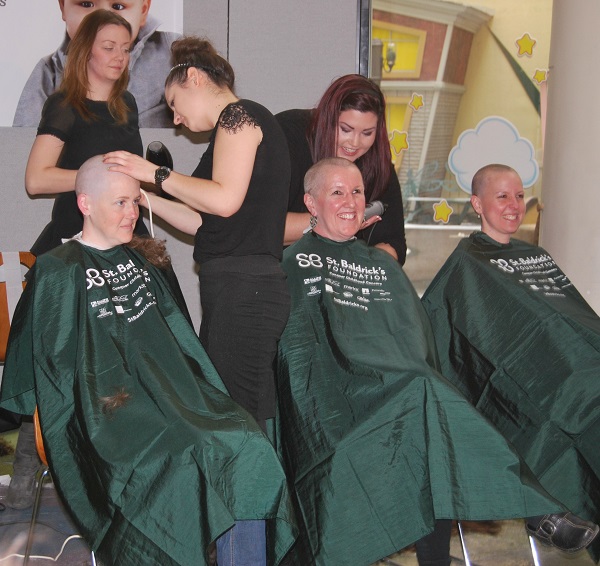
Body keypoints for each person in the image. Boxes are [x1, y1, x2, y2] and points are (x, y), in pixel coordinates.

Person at [275, 157, 598, 566]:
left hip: (398, 391)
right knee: (427, 399)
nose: (350, 201)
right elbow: (299, 355)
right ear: (311, 202)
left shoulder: (380, 264)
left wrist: (401, 374)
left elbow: (415, 337)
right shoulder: (295, 263)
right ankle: (539, 513)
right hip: (340, 404)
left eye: (357, 192)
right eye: (337, 192)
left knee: (427, 403)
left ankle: (485, 537)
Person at [0, 155, 296, 566]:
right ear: (86, 204)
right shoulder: (57, 270)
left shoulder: (143, 261)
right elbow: (50, 368)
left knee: (247, 444)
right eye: (119, 203)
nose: (131, 213)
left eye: (135, 202)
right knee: (181, 459)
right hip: (105, 413)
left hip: (170, 396)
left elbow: (178, 343)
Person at [104, 36, 291, 562]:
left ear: (192, 80)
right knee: (236, 432)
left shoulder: (240, 117)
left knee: (236, 438)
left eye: (174, 106)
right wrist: (147, 197)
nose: (178, 122)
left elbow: (223, 200)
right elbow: (204, 223)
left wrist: (155, 172)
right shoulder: (233, 134)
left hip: (246, 293)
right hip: (238, 289)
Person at [6, 9, 150, 512]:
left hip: (126, 249)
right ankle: (31, 461)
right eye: (108, 46)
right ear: (86, 50)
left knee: (128, 360)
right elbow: (36, 179)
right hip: (73, 245)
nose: (118, 56)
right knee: (57, 356)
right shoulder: (65, 105)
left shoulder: (128, 105)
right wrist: (98, 175)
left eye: (126, 48)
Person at [422, 163, 600, 562]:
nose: (514, 205)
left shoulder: (535, 256)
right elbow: (464, 348)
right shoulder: (467, 264)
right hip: (526, 388)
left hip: (573, 375)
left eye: (520, 196)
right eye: (502, 196)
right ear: (477, 203)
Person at [275, 74, 407, 263]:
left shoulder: (377, 163)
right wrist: (329, 223)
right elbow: (262, 227)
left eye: (367, 133)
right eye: (345, 129)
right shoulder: (289, 135)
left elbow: (392, 243)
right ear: (327, 119)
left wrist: (366, 272)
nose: (354, 143)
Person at [13, 0, 179, 128]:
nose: (102, 18)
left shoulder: (172, 50)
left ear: (143, 10)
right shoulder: (48, 72)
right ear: (63, 7)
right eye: (86, 4)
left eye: (118, 6)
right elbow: (24, 140)